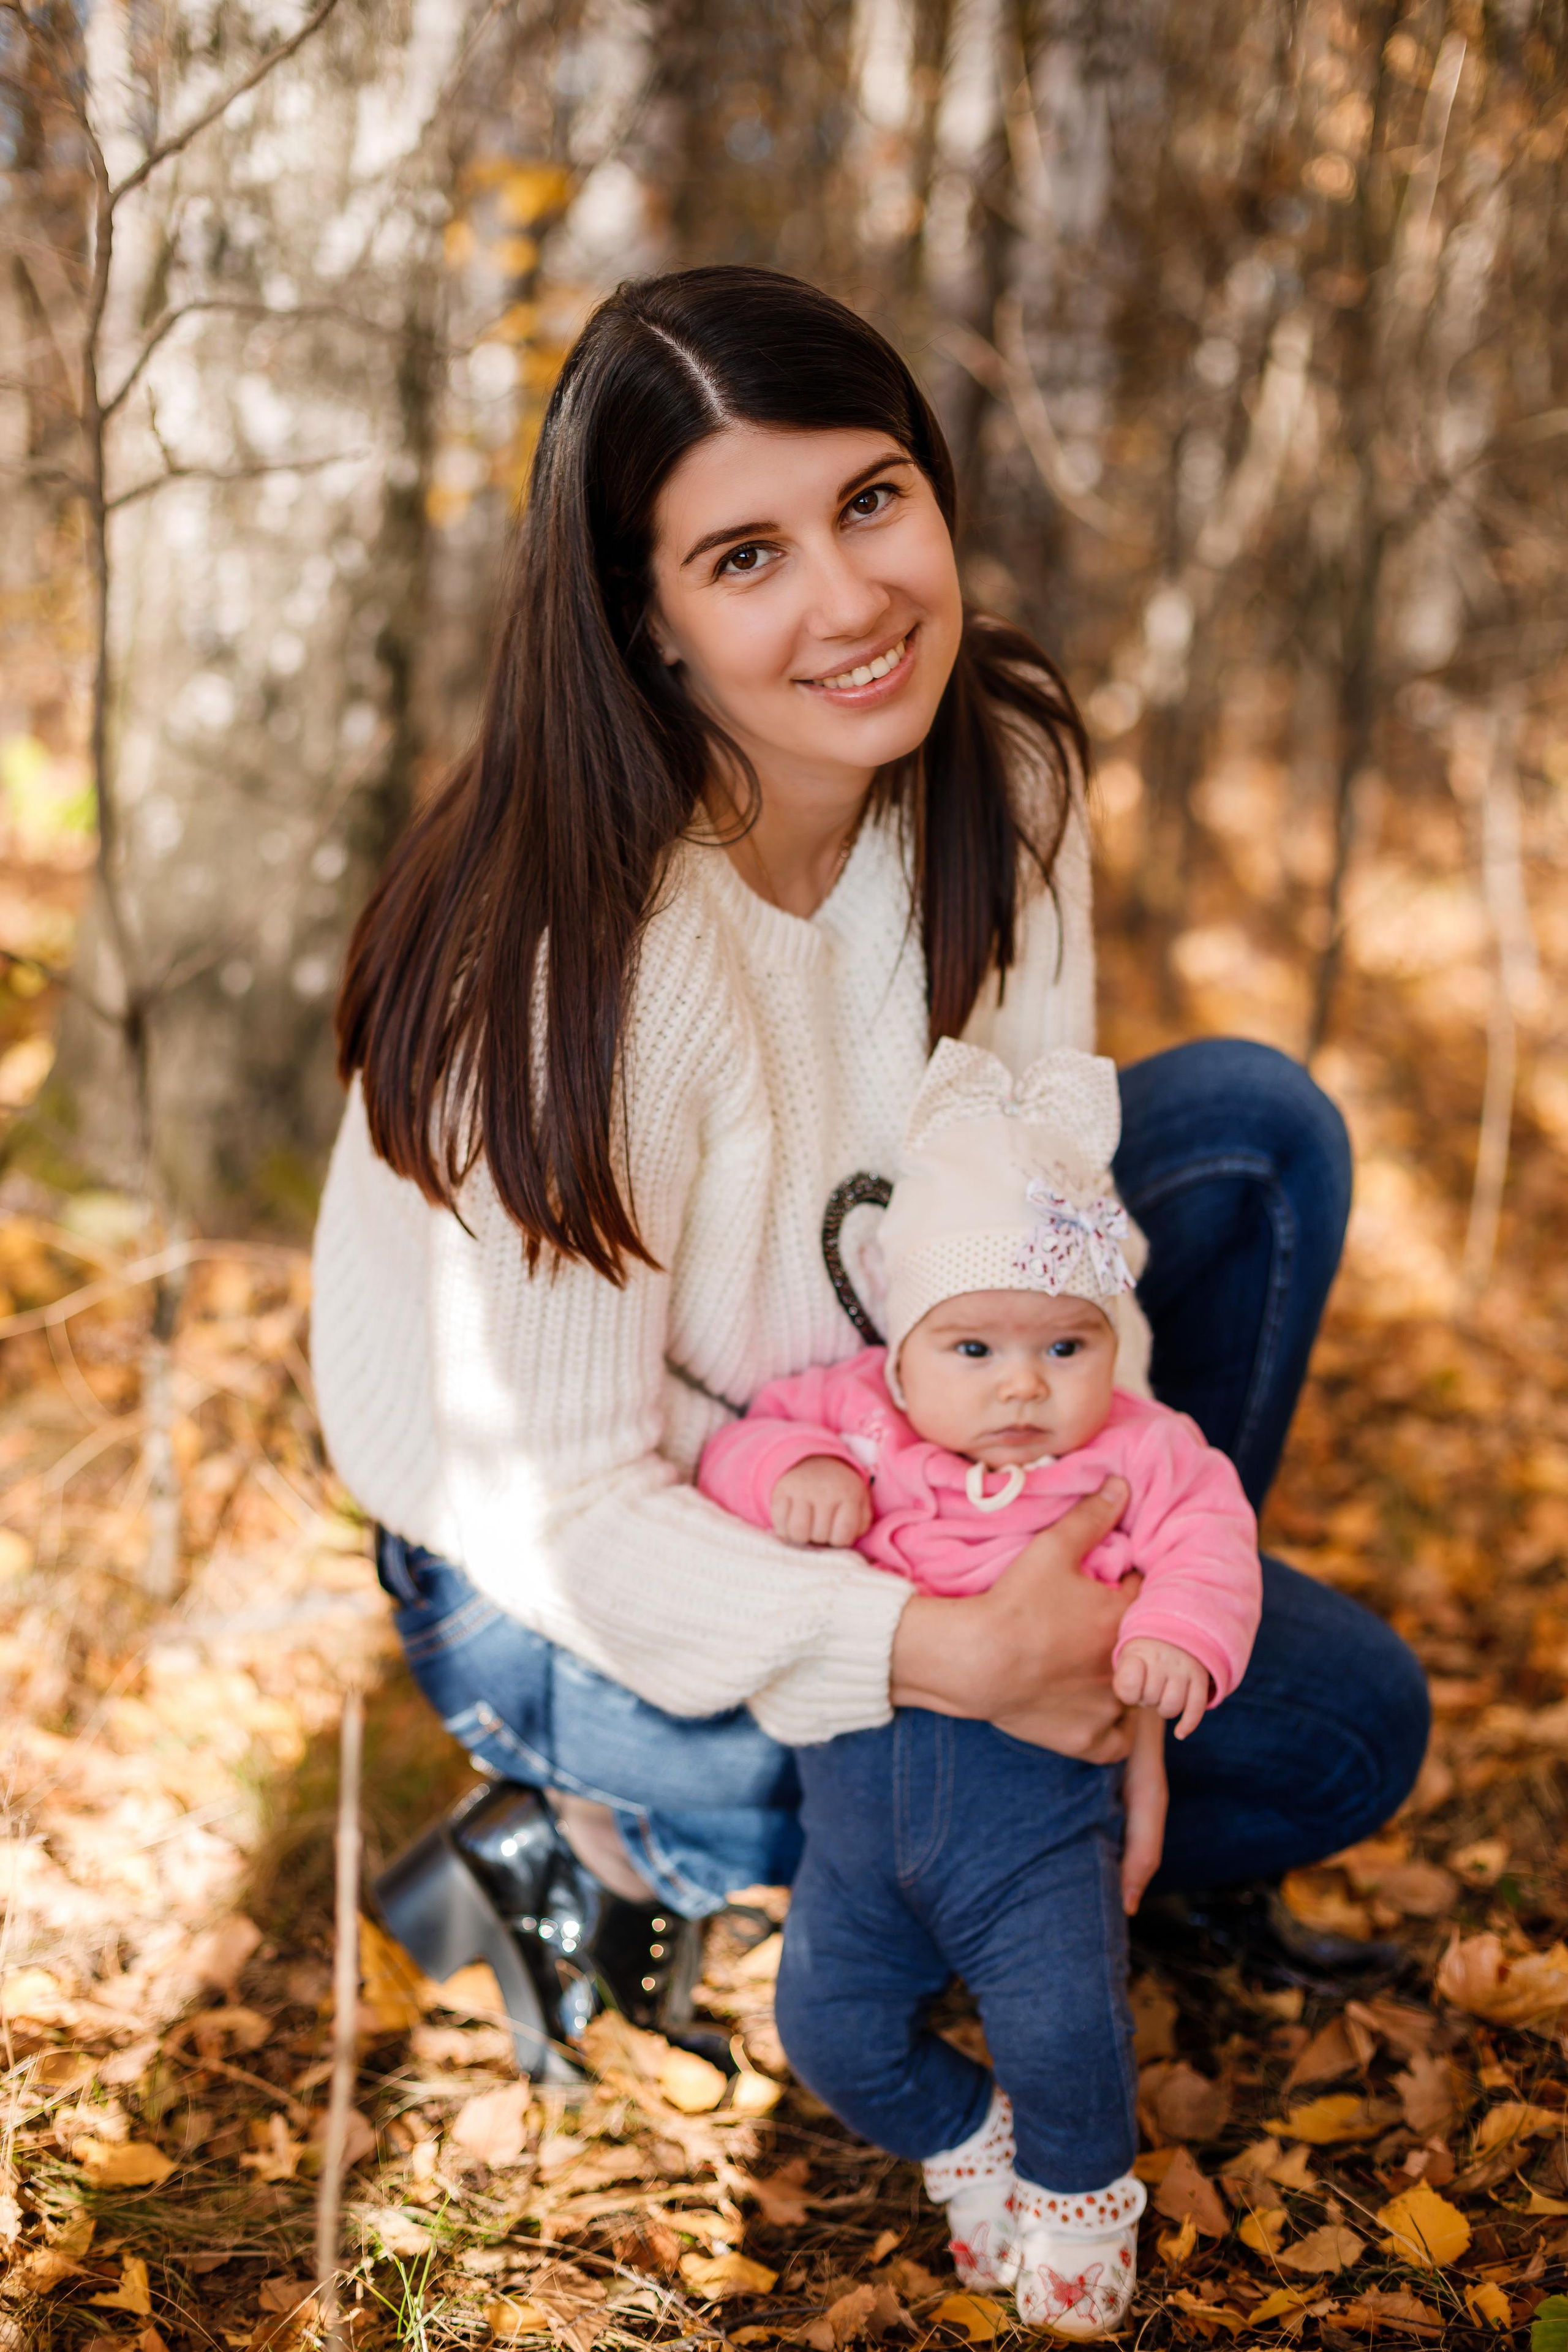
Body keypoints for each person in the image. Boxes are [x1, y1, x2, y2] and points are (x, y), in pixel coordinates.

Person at [311, 267, 1430, 2101]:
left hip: (918, 1454)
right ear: (645, 619)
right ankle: (585, 1848)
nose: (851, 602)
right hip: (558, 1569)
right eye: (743, 558)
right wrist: (944, 1654)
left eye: (870, 500)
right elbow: (570, 1499)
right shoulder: (564, 966)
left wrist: (1121, 1631)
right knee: (1332, 1743)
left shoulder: (1000, 768)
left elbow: (1055, 1226)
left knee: (1251, 1129)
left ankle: (1082, 1801)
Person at [697, 1039, 1261, 2334]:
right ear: (898, 1349)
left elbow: (1209, 1537)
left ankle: (1073, 2207)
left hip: (1032, 1821)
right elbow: (740, 1440)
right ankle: (966, 2137)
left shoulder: (1138, 1446)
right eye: (973, 1349)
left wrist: (1179, 1630)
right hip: (851, 1822)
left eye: (1067, 1345)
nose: (1023, 1384)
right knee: (828, 2028)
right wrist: (791, 1474)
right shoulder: (850, 1415)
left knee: (1063, 2026)